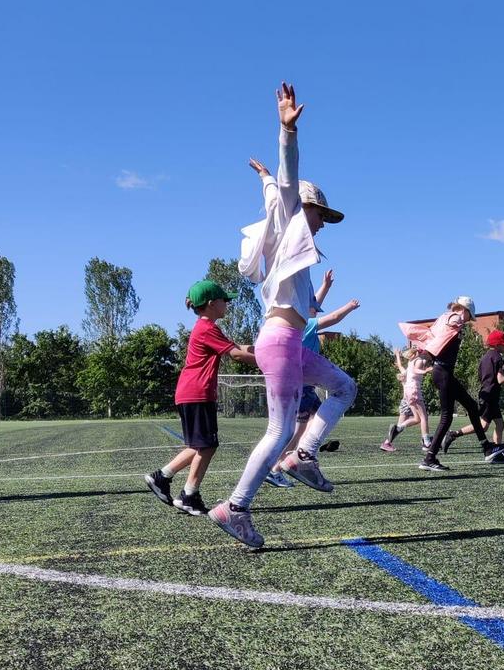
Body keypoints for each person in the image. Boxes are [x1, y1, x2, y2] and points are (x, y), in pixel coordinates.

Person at [209, 83, 357, 550]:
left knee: (345, 387)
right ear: (304, 209)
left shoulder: (295, 250)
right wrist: (286, 132)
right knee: (277, 431)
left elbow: (276, 192)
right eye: (320, 214)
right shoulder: (292, 220)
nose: (322, 222)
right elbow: (287, 186)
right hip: (278, 343)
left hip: (290, 343)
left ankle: (304, 455)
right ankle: (234, 508)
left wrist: (263, 179)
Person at [145, 280, 256, 515]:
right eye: (224, 300)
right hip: (197, 393)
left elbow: (238, 347)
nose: (227, 304)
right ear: (212, 303)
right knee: (207, 446)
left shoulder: (206, 328)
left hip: (190, 392)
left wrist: (264, 348)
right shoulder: (207, 329)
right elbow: (236, 354)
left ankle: (162, 477)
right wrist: (271, 362)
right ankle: (189, 495)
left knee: (200, 445)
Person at [269, 269, 360, 484]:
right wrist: (350, 306)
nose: (317, 310)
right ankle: (278, 467)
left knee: (315, 420)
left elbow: (313, 303)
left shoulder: (302, 322)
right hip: (303, 386)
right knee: (298, 430)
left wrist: (326, 286)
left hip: (304, 385)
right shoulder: (307, 325)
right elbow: (333, 318)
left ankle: (291, 460)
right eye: (314, 309)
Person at [402, 300, 504, 471]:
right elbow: (450, 323)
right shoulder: (453, 318)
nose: (467, 321)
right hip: (442, 372)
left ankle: (486, 448)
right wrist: (456, 321)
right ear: (464, 310)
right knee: (447, 417)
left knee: (470, 407)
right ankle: (430, 458)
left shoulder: (442, 320)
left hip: (443, 373)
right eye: (469, 316)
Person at [442, 329, 504, 457]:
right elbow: (501, 380)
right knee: (483, 426)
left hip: (487, 394)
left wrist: (501, 369)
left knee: (500, 424)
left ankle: (498, 451)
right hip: (490, 396)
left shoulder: (485, 357)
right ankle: (453, 434)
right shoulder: (498, 357)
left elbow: (484, 375)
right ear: (497, 345)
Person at [381, 346, 433, 452]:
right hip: (413, 393)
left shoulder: (410, 364)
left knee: (417, 419)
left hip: (409, 395)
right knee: (423, 418)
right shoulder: (418, 361)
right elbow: (416, 369)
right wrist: (426, 370)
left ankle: (397, 430)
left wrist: (397, 355)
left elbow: (401, 366)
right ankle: (426, 442)